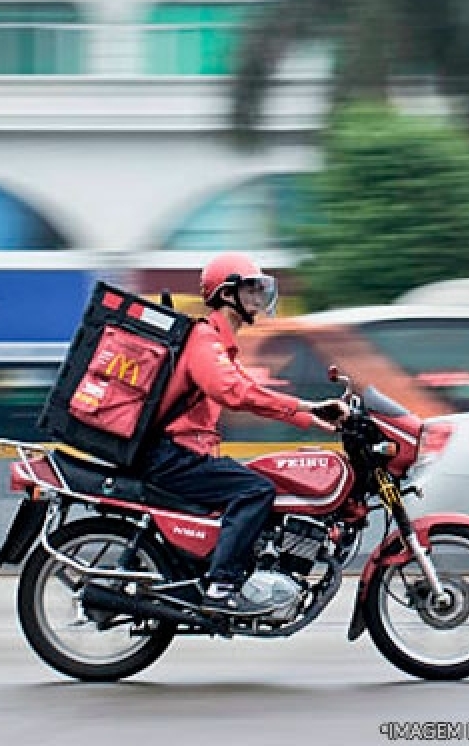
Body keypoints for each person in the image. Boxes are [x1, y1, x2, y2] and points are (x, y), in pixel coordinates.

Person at [139, 252, 348, 616]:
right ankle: (222, 587)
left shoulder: (219, 345)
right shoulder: (204, 339)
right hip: (175, 457)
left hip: (186, 455)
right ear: (225, 294)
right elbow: (234, 393)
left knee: (262, 483)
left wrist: (311, 415)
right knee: (256, 489)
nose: (257, 297)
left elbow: (250, 394)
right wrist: (305, 408)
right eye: (250, 288)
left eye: (258, 289)